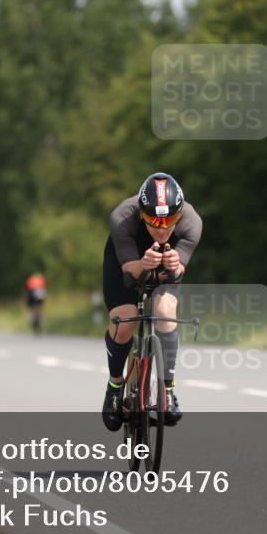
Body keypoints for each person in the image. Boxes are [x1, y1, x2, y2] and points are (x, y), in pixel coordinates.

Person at [101, 172, 202, 431]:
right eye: (153, 221)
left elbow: (178, 272)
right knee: (125, 319)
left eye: (169, 221)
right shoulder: (122, 217)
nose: (161, 228)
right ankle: (115, 386)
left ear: (179, 214)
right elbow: (130, 274)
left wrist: (174, 266)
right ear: (141, 213)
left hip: (164, 267)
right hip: (126, 261)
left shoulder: (191, 222)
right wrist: (142, 265)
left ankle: (167, 389)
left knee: (165, 310)